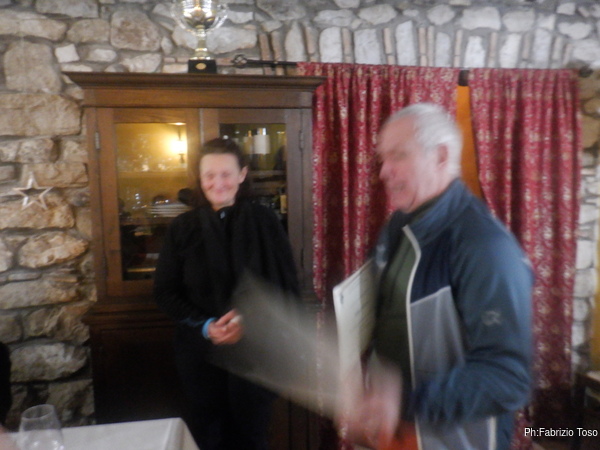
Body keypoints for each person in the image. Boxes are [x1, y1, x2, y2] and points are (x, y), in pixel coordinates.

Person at [339, 103, 533, 450]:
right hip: (394, 436)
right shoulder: (398, 224)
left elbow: (508, 377)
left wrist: (404, 402)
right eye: (383, 158)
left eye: (398, 155)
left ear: (441, 156)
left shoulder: (484, 245)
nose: (383, 172)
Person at [153, 138, 299, 450]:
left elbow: (286, 287)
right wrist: (207, 325)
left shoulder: (266, 222)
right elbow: (164, 292)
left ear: (242, 174)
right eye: (209, 175)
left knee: (251, 438)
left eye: (226, 174)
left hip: (257, 355)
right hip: (200, 357)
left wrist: (249, 320)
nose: (217, 183)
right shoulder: (182, 228)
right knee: (207, 438)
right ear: (199, 177)